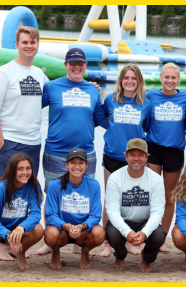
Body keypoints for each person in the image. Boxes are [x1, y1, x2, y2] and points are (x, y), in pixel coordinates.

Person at [35, 47, 108, 256]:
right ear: (65, 65)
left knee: (82, 196)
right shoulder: (51, 87)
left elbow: (101, 120)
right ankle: (52, 241)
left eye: (81, 63)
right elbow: (30, 108)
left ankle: (79, 242)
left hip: (85, 154)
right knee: (53, 196)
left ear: (85, 66)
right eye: (73, 63)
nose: (77, 67)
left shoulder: (93, 90)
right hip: (56, 152)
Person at [99, 64, 151, 257]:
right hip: (112, 155)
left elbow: (145, 127)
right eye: (126, 78)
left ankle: (128, 241)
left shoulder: (145, 103)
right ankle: (107, 242)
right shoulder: (111, 101)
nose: (130, 81)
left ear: (139, 81)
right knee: (110, 199)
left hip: (134, 158)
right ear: (121, 80)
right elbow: (104, 119)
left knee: (130, 201)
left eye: (134, 78)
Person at [0, 26, 49, 179]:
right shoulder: (4, 72)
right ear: (17, 45)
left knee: (29, 192)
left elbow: (57, 92)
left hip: (34, 144)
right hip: (10, 142)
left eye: (33, 42)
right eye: (25, 42)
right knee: (6, 192)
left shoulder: (39, 74)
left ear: (38, 45)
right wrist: (2, 146)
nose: (29, 46)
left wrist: (88, 85)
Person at [145, 63, 186, 253]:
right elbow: (146, 122)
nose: (170, 81)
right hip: (154, 149)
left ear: (178, 80)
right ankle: (149, 233)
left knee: (169, 198)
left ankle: (162, 237)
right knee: (154, 196)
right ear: (160, 77)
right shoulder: (151, 96)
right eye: (166, 77)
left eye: (173, 77)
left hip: (175, 151)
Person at [105, 138, 166, 272]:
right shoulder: (115, 178)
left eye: (140, 155)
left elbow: (158, 211)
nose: (136, 159)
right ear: (126, 157)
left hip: (145, 221)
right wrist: (127, 232)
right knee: (112, 234)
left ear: (146, 157)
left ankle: (147, 258)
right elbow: (112, 211)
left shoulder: (156, 179)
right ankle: (120, 256)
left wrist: (144, 233)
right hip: (123, 219)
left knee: (159, 235)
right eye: (132, 154)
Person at [0, 153, 43, 270]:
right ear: (12, 170)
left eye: (28, 168)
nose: (25, 173)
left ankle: (20, 253)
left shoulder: (33, 185)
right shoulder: (0, 188)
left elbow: (36, 213)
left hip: (16, 227)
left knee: (38, 230)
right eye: (20, 169)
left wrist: (20, 228)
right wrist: (7, 235)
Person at [43, 148, 105, 269]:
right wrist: (67, 226)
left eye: (81, 162)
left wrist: (81, 226)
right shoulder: (55, 185)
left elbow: (96, 215)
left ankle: (85, 252)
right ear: (66, 164)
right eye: (73, 162)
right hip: (62, 230)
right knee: (49, 233)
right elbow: (50, 215)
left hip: (83, 231)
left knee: (100, 233)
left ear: (86, 165)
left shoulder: (93, 184)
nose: (77, 166)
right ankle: (55, 252)